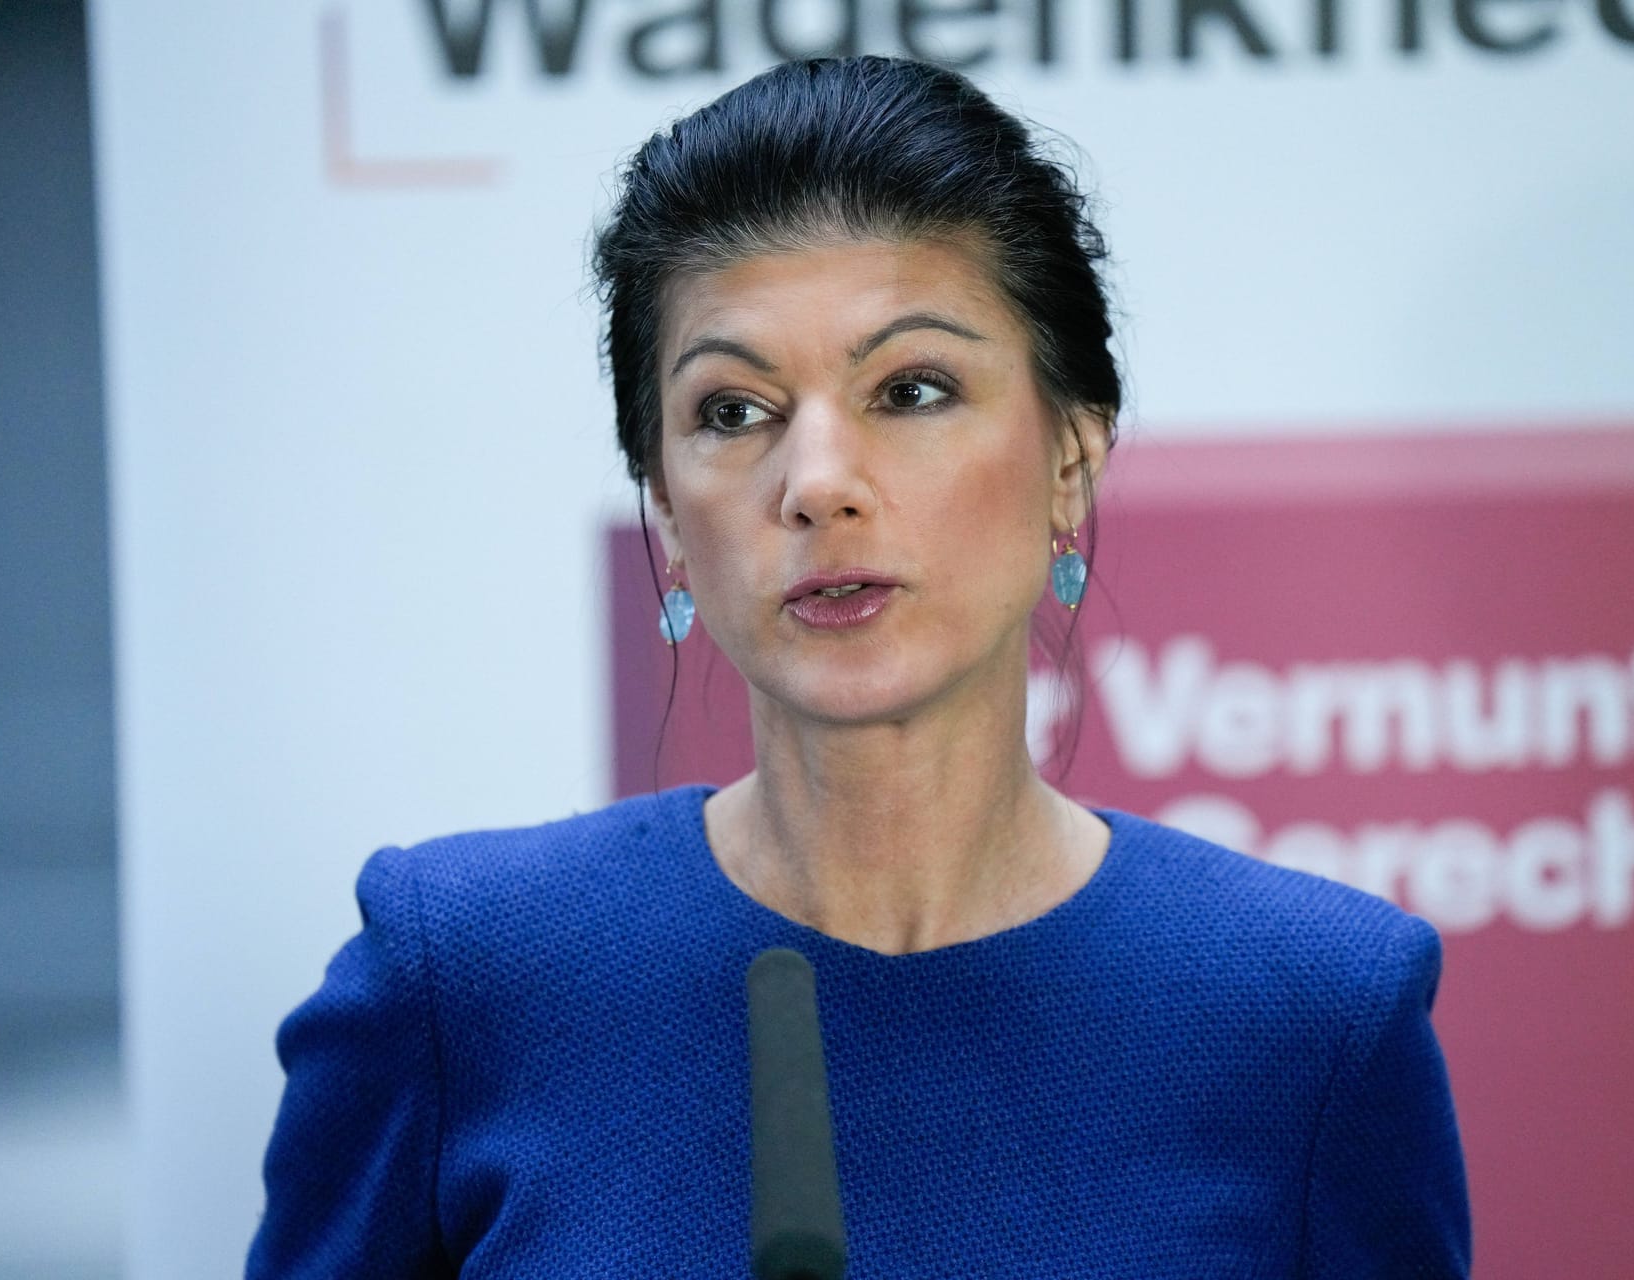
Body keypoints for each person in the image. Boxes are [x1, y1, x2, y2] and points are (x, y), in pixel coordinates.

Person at [246, 55, 1471, 1278]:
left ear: (1070, 462)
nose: (818, 480)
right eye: (732, 410)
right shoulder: (455, 979)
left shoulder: (1316, 1010)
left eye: (912, 388)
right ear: (667, 513)